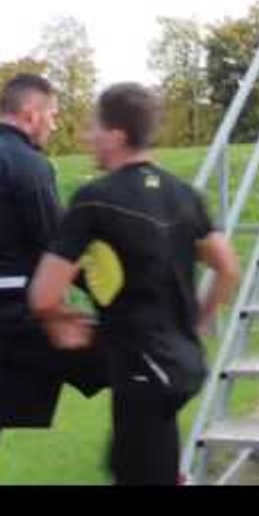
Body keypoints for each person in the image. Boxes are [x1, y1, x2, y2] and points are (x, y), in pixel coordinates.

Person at [29, 82, 240, 486]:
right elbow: (227, 267)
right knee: (148, 463)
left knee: (138, 470)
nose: (88, 135)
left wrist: (60, 320)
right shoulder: (185, 196)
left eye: (94, 126)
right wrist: (199, 320)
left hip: (142, 370)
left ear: (117, 135)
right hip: (183, 364)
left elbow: (42, 295)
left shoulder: (95, 200)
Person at [0, 74, 108, 486]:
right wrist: (111, 300)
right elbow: (58, 246)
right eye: (54, 115)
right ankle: (160, 471)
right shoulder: (31, 165)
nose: (55, 125)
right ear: (31, 114)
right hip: (30, 317)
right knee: (134, 365)